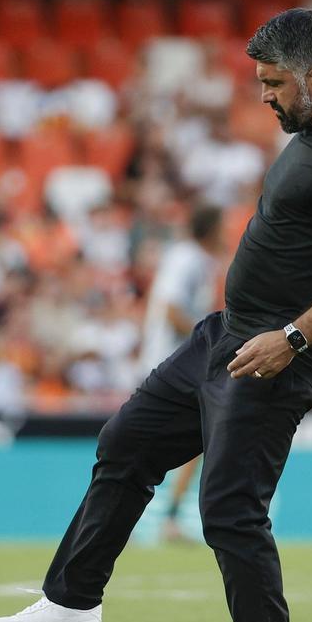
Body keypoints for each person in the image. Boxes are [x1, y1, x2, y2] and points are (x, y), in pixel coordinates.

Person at [0, 9, 312, 622]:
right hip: (229, 335)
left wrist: (299, 338)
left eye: (272, 83)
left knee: (230, 510)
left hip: (273, 356)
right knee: (127, 443)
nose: (263, 96)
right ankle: (72, 603)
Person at [139, 205, 224, 542]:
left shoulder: (199, 260)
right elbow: (170, 308)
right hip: (170, 362)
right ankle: (156, 516)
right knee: (168, 442)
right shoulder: (185, 258)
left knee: (200, 438)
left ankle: (168, 517)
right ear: (209, 228)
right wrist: (208, 341)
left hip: (183, 362)